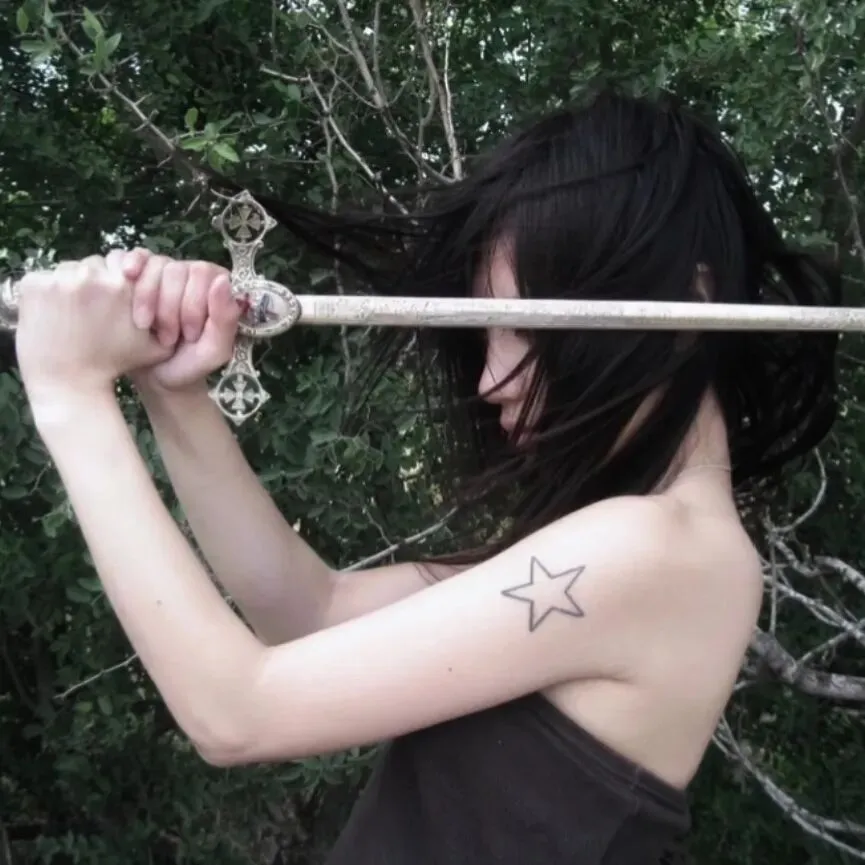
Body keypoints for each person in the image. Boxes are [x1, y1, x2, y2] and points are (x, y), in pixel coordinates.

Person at [13, 88, 840, 864]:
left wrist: (71, 394)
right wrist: (173, 392)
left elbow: (236, 713)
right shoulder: (635, 544)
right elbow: (306, 610)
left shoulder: (660, 549)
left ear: (685, 309)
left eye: (522, 329)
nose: (489, 381)